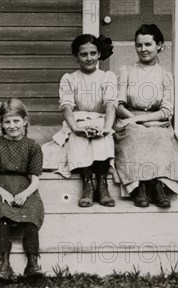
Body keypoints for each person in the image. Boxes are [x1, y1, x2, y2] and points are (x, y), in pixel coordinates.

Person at [114, 24, 178, 208]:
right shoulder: (127, 71)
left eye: (148, 44)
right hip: (128, 118)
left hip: (156, 120)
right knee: (135, 134)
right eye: (139, 45)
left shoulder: (165, 75)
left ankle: (158, 186)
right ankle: (138, 187)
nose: (143, 49)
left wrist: (143, 120)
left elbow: (166, 111)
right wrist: (133, 119)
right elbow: (119, 105)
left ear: (159, 45)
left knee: (160, 135)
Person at [42, 34, 117, 207]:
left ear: (99, 54)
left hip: (101, 119)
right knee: (80, 136)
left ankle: (102, 184)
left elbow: (110, 105)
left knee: (101, 136)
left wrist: (106, 127)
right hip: (78, 120)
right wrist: (75, 128)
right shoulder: (69, 79)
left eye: (93, 53)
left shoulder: (107, 77)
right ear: (76, 56)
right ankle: (87, 184)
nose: (89, 58)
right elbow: (67, 107)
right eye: (84, 54)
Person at [0, 99, 44, 281]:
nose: (12, 126)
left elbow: (35, 180)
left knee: (31, 212)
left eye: (16, 121)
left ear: (25, 121)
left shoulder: (33, 146)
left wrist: (25, 193)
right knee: (1, 212)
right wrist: (3, 193)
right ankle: (4, 265)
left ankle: (32, 263)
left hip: (25, 187)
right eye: (7, 122)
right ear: (1, 124)